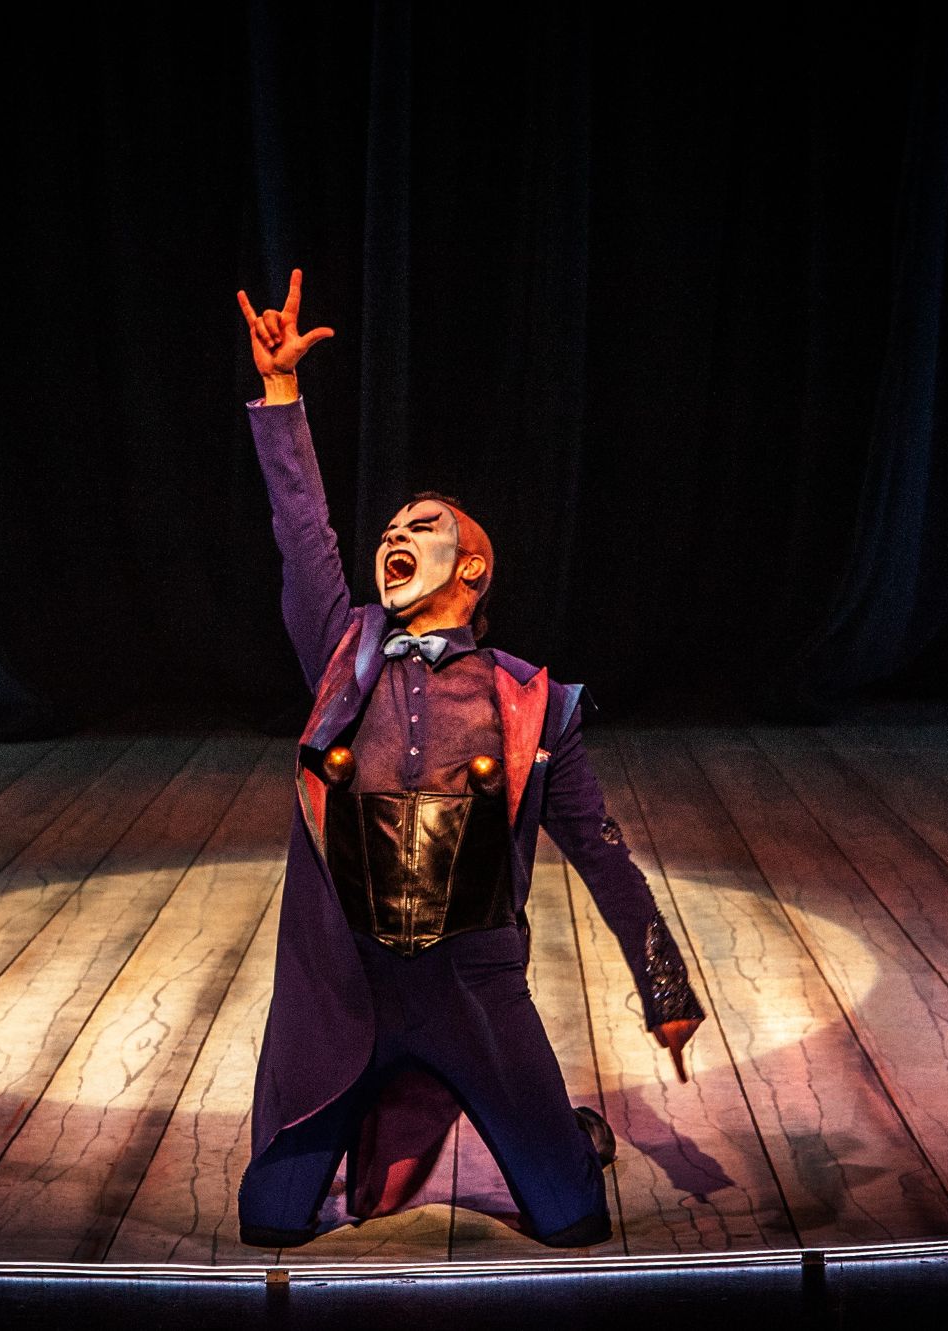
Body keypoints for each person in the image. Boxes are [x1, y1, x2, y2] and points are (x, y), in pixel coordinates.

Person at [233, 270, 704, 1249]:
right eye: (389, 529)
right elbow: (300, 529)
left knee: (573, 1217)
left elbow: (601, 849)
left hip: (476, 992)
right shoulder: (340, 651)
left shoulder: (533, 702)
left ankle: (566, 1134)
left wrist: (663, 984)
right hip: (350, 991)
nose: (395, 535)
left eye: (424, 525)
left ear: (474, 567)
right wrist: (281, 395)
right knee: (268, 1219)